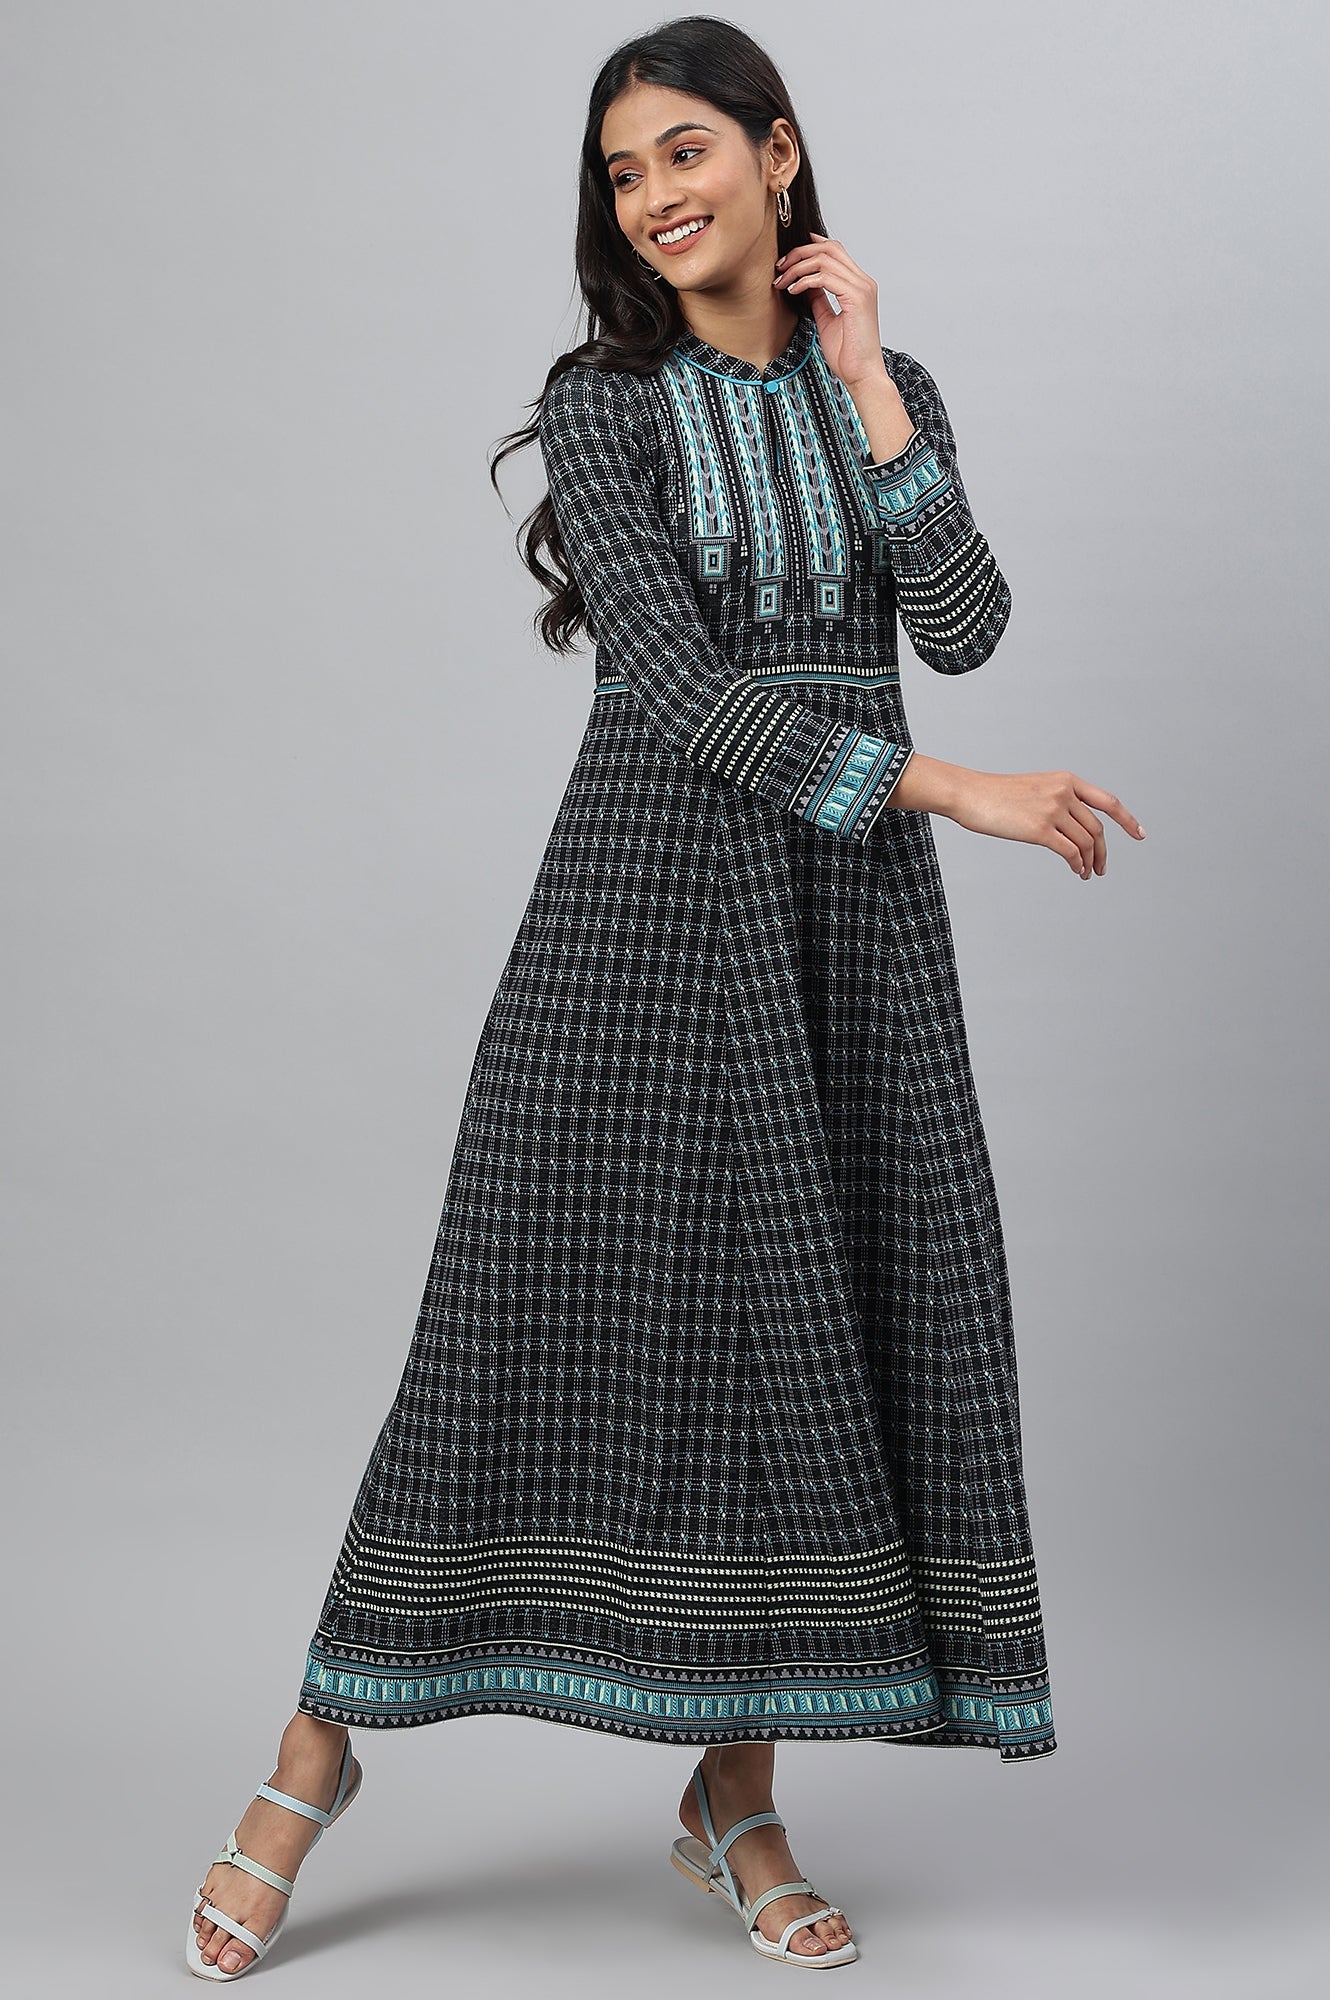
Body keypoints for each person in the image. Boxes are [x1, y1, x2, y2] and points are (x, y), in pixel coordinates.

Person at [188, 13, 1144, 1981]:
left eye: (686, 151)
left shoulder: (888, 385)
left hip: (842, 925)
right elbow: (683, 693)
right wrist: (957, 792)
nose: (653, 196)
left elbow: (961, 623)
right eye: (622, 173)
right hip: (639, 906)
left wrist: (867, 379)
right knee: (506, 1330)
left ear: (777, 155)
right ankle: (314, 1748)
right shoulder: (602, 404)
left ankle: (733, 1792)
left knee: (806, 1325)